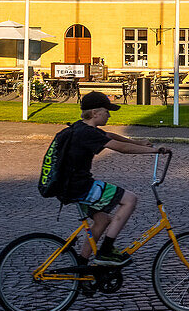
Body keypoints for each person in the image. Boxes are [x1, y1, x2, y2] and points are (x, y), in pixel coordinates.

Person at [61, 91, 166, 267]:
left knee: (102, 220)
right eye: (107, 111)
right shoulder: (88, 134)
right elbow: (122, 148)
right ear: (95, 113)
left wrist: (139, 143)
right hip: (79, 186)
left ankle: (82, 265)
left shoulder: (82, 128)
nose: (109, 114)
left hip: (69, 185)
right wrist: (155, 151)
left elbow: (109, 135)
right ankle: (106, 251)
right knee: (130, 199)